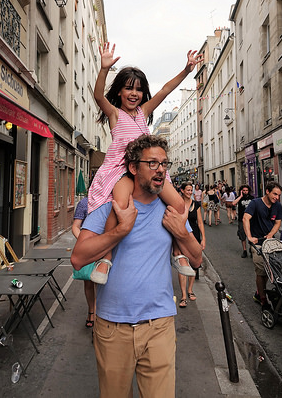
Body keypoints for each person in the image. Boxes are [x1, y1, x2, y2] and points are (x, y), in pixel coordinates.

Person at [71, 135, 203, 398]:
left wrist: (184, 234)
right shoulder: (111, 209)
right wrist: (120, 230)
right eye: (152, 163)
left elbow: (197, 260)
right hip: (112, 327)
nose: (161, 169)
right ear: (133, 168)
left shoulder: (170, 211)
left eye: (164, 164)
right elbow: (78, 257)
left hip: (160, 326)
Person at [89, 42, 203, 283]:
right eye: (128, 88)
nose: (134, 93)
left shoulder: (143, 112)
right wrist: (103, 69)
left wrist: (186, 70)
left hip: (149, 170)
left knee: (180, 206)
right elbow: (98, 95)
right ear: (119, 91)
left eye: (139, 90)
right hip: (122, 171)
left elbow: (164, 90)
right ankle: (105, 258)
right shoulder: (114, 114)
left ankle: (177, 252)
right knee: (119, 205)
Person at [243, 182, 282, 309]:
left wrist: (271, 234)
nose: (276, 197)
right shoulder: (255, 203)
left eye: (278, 195)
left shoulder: (278, 206)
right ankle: (262, 299)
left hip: (270, 244)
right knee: (261, 271)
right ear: (267, 191)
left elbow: (277, 223)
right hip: (258, 243)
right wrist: (249, 237)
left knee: (269, 271)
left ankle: (259, 292)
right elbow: (245, 218)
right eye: (274, 194)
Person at [178, 182, 206, 308]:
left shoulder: (196, 204)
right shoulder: (178, 203)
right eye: (188, 190)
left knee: (194, 264)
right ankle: (183, 296)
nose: (190, 192)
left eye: (191, 190)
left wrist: (203, 238)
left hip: (194, 237)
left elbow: (200, 223)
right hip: (181, 237)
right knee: (182, 264)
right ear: (182, 190)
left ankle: (190, 290)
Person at [72, 196, 96, 328]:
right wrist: (84, 242)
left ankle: (99, 316)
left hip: (108, 247)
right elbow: (76, 226)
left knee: (102, 284)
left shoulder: (113, 200)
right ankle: (91, 310)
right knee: (88, 282)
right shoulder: (84, 203)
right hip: (88, 249)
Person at [232, 185, 254, 258]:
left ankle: (251, 249)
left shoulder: (252, 198)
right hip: (242, 219)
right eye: (243, 190)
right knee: (242, 235)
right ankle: (244, 250)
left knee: (251, 234)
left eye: (246, 190)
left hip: (251, 220)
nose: (245, 192)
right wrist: (240, 196)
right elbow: (233, 203)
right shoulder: (239, 198)